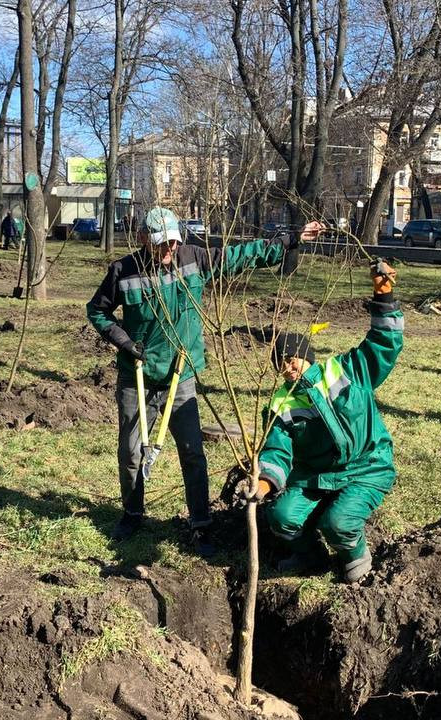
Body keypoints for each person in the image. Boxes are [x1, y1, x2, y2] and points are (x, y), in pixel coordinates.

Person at [86, 206, 303, 556]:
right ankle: (132, 513)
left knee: (192, 453)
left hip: (179, 376)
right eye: (161, 244)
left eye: (173, 242)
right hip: (137, 377)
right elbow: (97, 311)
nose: (169, 250)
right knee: (130, 453)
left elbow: (238, 256)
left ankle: (201, 523)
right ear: (144, 240)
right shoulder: (123, 271)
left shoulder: (193, 259)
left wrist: (285, 242)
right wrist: (124, 342)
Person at [240, 260, 402, 582]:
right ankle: (310, 555)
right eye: (280, 363)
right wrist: (264, 482)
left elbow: (383, 345)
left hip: (367, 466)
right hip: (314, 477)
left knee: (338, 523)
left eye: (292, 358)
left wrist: (384, 297)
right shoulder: (281, 403)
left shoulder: (346, 370)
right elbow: (277, 451)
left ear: (306, 355)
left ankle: (355, 556)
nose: (288, 367)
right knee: (281, 517)